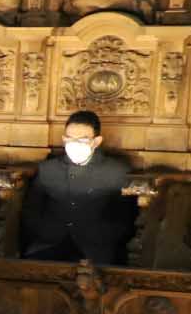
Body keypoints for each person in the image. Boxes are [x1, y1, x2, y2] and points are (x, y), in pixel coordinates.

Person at [20, 111, 137, 265]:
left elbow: (126, 217)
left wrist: (104, 236)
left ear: (96, 141)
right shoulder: (47, 169)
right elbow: (31, 210)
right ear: (64, 139)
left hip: (97, 251)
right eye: (70, 138)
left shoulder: (117, 171)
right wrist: (44, 232)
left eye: (82, 139)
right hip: (47, 246)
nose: (75, 143)